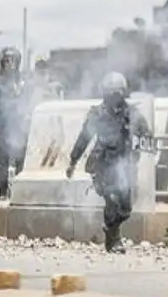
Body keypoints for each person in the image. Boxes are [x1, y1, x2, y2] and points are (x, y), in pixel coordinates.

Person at [65, 72, 153, 254]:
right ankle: (114, 240)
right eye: (112, 92)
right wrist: (73, 161)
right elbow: (84, 139)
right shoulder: (97, 114)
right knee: (112, 200)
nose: (115, 97)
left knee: (126, 207)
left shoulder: (132, 113)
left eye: (118, 92)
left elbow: (147, 135)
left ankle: (110, 229)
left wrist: (145, 144)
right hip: (104, 165)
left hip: (126, 166)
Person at [0, 47, 28, 198]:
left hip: (20, 125)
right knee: (3, 158)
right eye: (7, 61)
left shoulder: (23, 81)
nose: (10, 64)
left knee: (21, 157)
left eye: (13, 60)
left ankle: (20, 192)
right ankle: (2, 191)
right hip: (3, 124)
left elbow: (29, 101)